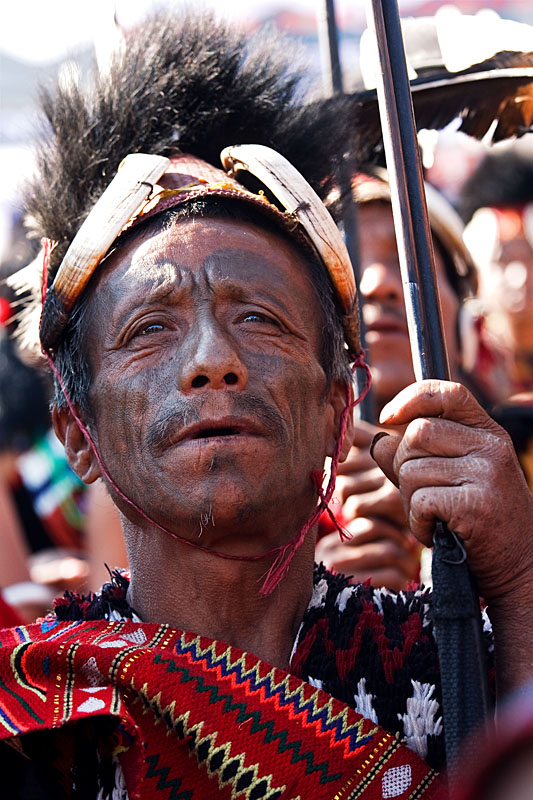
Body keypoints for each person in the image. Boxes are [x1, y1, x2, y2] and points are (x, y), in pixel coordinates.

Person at [0, 11, 532, 799]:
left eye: (259, 318)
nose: (212, 361)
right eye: (150, 329)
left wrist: (518, 580)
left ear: (336, 406)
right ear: (75, 432)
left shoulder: (460, 664)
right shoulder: (35, 716)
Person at [317, 171, 504, 589]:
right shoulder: (265, 513)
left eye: (408, 265)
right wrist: (305, 600)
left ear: (467, 320)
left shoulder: (519, 477)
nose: (377, 284)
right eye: (347, 269)